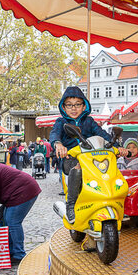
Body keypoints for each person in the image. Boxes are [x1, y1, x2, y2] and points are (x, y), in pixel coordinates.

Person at [50, 86, 128, 223]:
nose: (73, 108)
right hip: (71, 159)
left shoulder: (89, 121)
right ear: (63, 107)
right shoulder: (61, 122)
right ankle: (71, 204)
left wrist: (118, 147)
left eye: (77, 104)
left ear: (84, 105)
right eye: (69, 105)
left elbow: (102, 135)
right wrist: (58, 144)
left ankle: (113, 199)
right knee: (78, 167)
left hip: (92, 160)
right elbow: (55, 133)